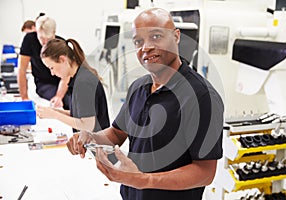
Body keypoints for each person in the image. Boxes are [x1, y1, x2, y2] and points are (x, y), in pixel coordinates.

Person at [66, 7, 224, 200]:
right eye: (138, 42)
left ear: (176, 36)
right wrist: (90, 138)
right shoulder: (138, 88)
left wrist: (142, 180)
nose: (146, 47)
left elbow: (205, 172)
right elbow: (117, 133)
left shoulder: (201, 97)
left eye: (156, 36)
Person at [36, 38, 110, 132]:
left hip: (96, 144)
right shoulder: (78, 78)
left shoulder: (83, 82)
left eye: (52, 68)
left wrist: (55, 115)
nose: (52, 73)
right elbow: (79, 114)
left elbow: (87, 125)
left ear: (62, 59)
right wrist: (52, 111)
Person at [18, 15, 70, 109]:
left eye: (48, 39)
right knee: (67, 100)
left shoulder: (61, 44)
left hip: (62, 82)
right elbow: (22, 69)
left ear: (54, 33)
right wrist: (24, 97)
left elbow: (66, 75)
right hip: (44, 84)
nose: (45, 42)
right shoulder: (29, 40)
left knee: (75, 97)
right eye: (41, 38)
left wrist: (59, 95)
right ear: (37, 31)